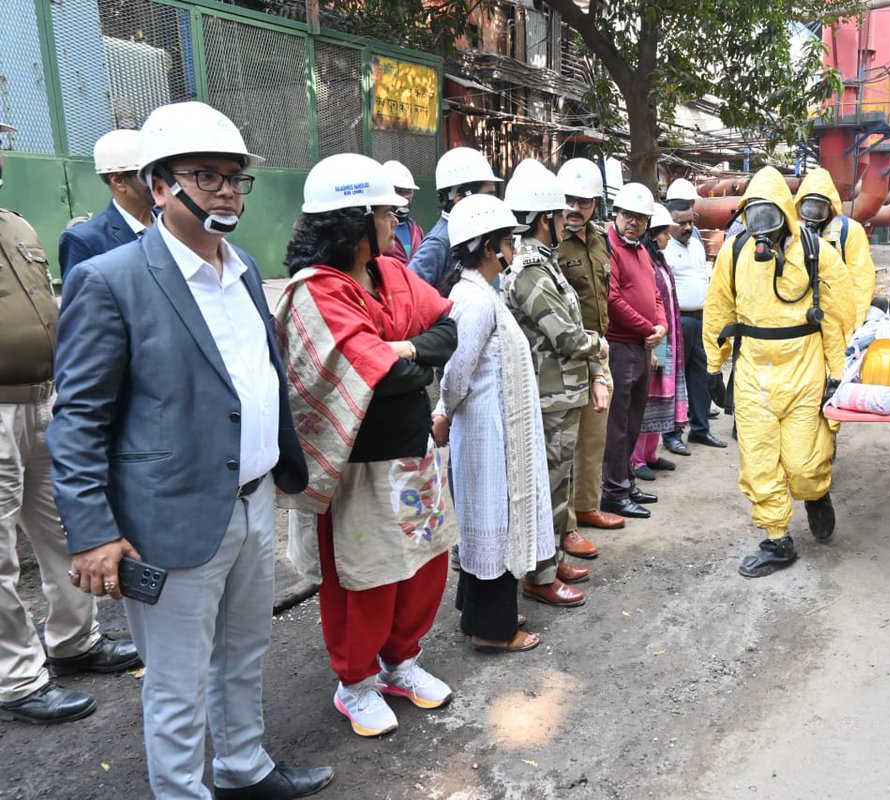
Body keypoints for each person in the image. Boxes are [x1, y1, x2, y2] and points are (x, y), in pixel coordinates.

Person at [47, 101, 332, 798]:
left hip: (254, 500)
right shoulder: (112, 280)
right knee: (175, 685)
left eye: (237, 178)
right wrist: (92, 535)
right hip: (168, 520)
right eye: (208, 177)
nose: (229, 191)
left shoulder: (241, 269)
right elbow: (79, 419)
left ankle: (242, 768)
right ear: (159, 185)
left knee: (243, 654)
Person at [276, 153, 457, 738]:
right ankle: (354, 682)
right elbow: (380, 375)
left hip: (412, 455)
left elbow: (446, 330)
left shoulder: (391, 272)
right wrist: (412, 352)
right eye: (385, 213)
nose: (394, 222)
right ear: (354, 220)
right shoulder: (318, 291)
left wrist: (404, 348)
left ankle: (401, 662)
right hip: (358, 467)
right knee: (366, 577)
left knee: (424, 565)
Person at [0, 118, 141, 727]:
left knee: (60, 528)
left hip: (42, 398)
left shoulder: (17, 226)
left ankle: (73, 642)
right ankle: (15, 678)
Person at [704, 167, 852, 578]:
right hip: (754, 373)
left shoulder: (816, 252)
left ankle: (816, 493)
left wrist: (837, 376)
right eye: (754, 218)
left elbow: (837, 318)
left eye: (770, 217)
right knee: (758, 463)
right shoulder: (736, 254)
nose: (761, 228)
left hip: (805, 371)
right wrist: (715, 366)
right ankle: (777, 538)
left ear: (786, 214)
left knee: (804, 466)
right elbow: (720, 310)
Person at [435, 193, 555, 652]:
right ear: (488, 247)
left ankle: (483, 615)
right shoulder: (475, 300)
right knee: (492, 520)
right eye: (507, 240)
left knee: (494, 519)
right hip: (486, 432)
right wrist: (444, 410)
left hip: (495, 429)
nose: (512, 248)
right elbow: (457, 370)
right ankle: (492, 629)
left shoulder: (484, 293)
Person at [502, 160, 608, 605]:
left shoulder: (543, 263)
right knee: (547, 485)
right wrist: (599, 345)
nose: (567, 218)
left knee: (559, 483)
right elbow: (564, 334)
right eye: (560, 213)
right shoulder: (530, 270)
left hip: (561, 390)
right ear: (544, 218)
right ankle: (540, 575)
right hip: (549, 394)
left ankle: (553, 555)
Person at [557, 157, 623, 552]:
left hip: (598, 350)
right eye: (569, 199)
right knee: (563, 444)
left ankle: (586, 507)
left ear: (596, 204)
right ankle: (565, 525)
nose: (575, 208)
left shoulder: (601, 240)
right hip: (564, 353)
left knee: (592, 438)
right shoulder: (549, 240)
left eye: (584, 201)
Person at [600, 182, 666, 520]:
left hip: (640, 345)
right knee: (618, 423)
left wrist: (662, 326)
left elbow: (655, 294)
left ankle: (625, 481)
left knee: (634, 418)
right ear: (617, 214)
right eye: (629, 215)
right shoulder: (608, 248)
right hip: (619, 346)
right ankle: (613, 490)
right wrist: (647, 328)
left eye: (641, 218)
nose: (634, 222)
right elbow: (612, 299)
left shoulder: (640, 250)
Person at [663, 196, 724, 454]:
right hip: (677, 320)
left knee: (701, 376)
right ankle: (672, 434)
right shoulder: (664, 248)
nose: (687, 228)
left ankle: (700, 429)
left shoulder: (697, 244)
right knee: (675, 380)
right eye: (681, 223)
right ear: (669, 224)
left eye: (690, 222)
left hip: (702, 320)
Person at [631, 203, 687, 482]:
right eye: (664, 233)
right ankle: (637, 457)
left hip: (667, 337)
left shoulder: (659, 262)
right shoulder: (647, 265)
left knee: (661, 394)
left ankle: (651, 454)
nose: (668, 238)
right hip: (656, 339)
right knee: (648, 397)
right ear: (653, 235)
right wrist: (652, 345)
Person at [57, 128, 155, 281]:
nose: (162, 180)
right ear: (118, 181)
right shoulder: (84, 241)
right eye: (149, 174)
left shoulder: (174, 224)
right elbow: (85, 302)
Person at [408, 147, 501, 294]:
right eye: (487, 194)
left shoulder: (475, 234)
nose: (492, 202)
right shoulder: (439, 242)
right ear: (459, 198)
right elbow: (409, 295)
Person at [795, 167, 876, 328]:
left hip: (838, 316)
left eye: (819, 208)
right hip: (799, 315)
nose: (813, 215)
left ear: (830, 207)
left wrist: (855, 324)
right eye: (808, 207)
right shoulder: (792, 233)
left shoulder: (849, 231)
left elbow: (861, 281)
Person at [381, 159, 425, 267]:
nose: (406, 197)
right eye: (400, 192)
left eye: (409, 192)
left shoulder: (416, 230)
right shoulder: (378, 230)